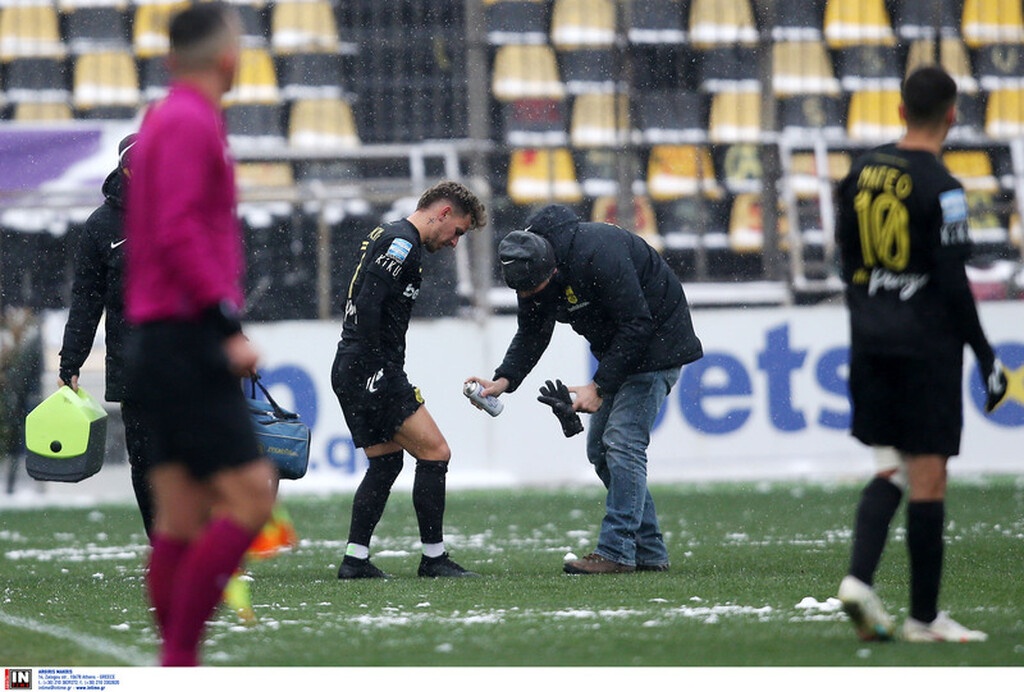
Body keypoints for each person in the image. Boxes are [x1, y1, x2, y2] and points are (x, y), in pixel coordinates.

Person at [123, 3, 277, 666]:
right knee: (251, 495)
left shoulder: (163, 118)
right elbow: (181, 229)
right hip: (187, 336)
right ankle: (180, 659)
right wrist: (225, 326)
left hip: (158, 336)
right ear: (227, 58)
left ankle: (176, 659)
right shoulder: (191, 121)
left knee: (181, 518)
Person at [835, 65, 1009, 643]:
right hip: (925, 347)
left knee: (890, 467)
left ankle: (859, 581)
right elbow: (954, 284)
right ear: (953, 116)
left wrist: (869, 311)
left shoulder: (860, 172)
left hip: (870, 341)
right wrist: (985, 355)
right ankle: (924, 618)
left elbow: (845, 257)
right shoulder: (945, 190)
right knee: (928, 479)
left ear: (900, 110)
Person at [467, 204, 703, 574]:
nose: (531, 296)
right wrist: (504, 380)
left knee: (622, 443)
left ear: (553, 269)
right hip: (620, 350)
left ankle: (617, 551)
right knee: (601, 450)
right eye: (524, 292)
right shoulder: (528, 265)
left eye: (537, 289)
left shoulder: (599, 253)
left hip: (658, 344)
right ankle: (648, 550)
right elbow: (533, 330)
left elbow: (637, 323)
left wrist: (599, 386)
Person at [332, 181, 487, 580]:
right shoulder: (402, 243)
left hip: (353, 365)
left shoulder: (389, 234)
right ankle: (434, 559)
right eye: (458, 231)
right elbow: (368, 304)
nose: (454, 242)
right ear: (443, 213)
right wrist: (377, 368)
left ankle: (354, 560)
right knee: (436, 452)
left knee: (386, 463)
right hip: (370, 367)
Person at [58, 134, 154, 538]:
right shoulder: (101, 226)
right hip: (134, 363)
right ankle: (164, 545)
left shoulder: (182, 209)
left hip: (186, 357)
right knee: (145, 460)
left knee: (192, 455)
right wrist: (70, 361)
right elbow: (86, 299)